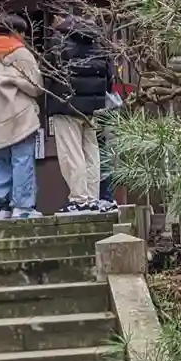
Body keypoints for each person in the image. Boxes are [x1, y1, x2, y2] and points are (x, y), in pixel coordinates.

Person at [45, 13, 113, 214]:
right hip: (92, 106)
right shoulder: (98, 41)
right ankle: (92, 197)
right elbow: (110, 74)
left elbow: (49, 71)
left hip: (66, 105)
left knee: (71, 153)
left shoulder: (59, 40)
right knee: (91, 151)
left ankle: (79, 198)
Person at [0, 16, 44, 220]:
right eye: (22, 32)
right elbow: (35, 86)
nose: (23, 37)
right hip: (19, 114)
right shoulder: (19, 52)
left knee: (2, 161)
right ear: (15, 32)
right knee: (22, 159)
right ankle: (22, 207)